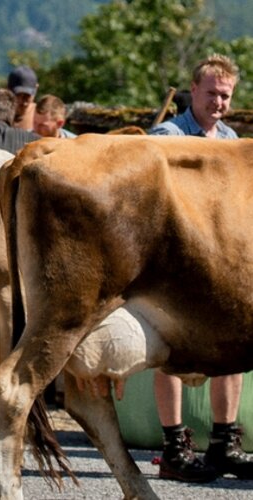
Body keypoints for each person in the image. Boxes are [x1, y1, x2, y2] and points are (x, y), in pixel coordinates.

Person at [148, 53, 252, 483]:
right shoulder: (167, 137)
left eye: (225, 95)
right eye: (212, 93)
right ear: (194, 90)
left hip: (220, 260)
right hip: (174, 260)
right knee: (167, 352)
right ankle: (175, 448)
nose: (219, 102)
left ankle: (224, 443)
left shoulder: (230, 140)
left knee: (234, 345)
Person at [7, 65, 38, 131]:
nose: (22, 102)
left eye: (27, 96)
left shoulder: (40, 117)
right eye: (18, 95)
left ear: (36, 89)